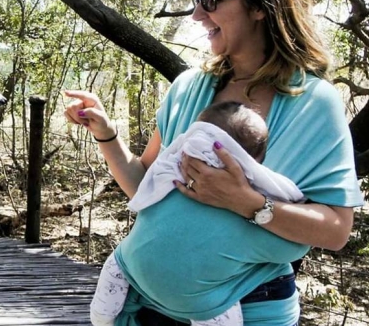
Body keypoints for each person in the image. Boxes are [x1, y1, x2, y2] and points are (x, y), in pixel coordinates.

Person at [64, 0, 363, 326]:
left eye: (211, 0)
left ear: (259, 5)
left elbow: (337, 230)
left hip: (251, 308)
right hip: (149, 305)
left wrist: (246, 202)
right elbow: (145, 186)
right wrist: (106, 133)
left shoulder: (314, 103)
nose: (197, 16)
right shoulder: (188, 88)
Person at [90, 101, 305, 326]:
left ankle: (101, 318)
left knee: (113, 274)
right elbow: (293, 247)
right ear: (254, 163)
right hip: (203, 302)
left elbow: (140, 191)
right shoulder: (242, 214)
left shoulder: (166, 177)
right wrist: (259, 205)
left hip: (130, 270)